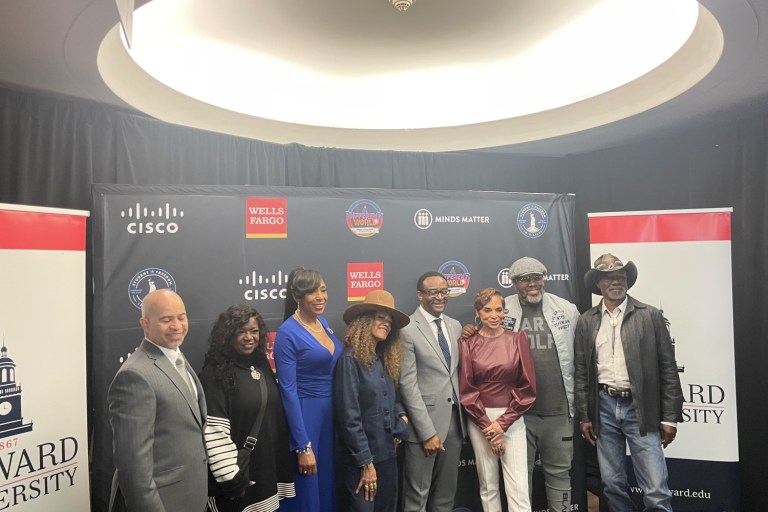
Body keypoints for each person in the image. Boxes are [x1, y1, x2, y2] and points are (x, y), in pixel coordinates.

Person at [464, 256, 579, 511]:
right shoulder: (502, 308)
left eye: (537, 277)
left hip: (558, 411)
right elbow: (483, 337)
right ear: (514, 282)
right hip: (517, 415)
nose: (533, 284)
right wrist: (469, 331)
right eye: (525, 279)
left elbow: (580, 356)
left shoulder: (567, 309)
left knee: (560, 473)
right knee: (518, 481)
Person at [574, 254, 683, 512]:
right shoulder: (587, 320)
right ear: (598, 283)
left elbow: (668, 367)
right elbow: (581, 372)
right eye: (609, 277)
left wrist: (670, 416)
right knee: (612, 484)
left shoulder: (649, 315)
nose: (616, 281)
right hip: (603, 407)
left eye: (620, 276)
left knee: (655, 488)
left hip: (640, 407)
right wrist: (585, 415)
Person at [107, 289, 208, 512]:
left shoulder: (175, 355)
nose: (177, 326)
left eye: (181, 317)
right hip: (163, 503)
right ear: (145, 323)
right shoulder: (134, 376)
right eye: (166, 319)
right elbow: (132, 466)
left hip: (191, 497)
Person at [198, 304, 295, 512]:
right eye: (240, 331)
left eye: (254, 331)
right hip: (239, 478)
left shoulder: (260, 363)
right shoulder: (214, 374)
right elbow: (214, 432)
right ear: (227, 335)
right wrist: (231, 478)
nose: (249, 337)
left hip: (266, 472)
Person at [459, 287, 537, 512]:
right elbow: (467, 389)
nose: (494, 315)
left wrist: (502, 424)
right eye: (487, 310)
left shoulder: (518, 338)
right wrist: (488, 427)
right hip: (479, 419)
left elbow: (528, 388)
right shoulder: (467, 343)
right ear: (478, 312)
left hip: (512, 418)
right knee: (488, 486)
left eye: (499, 310)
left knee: (519, 488)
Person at [334, 290, 411, 512]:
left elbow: (394, 397)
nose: (386, 324)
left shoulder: (384, 358)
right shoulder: (350, 360)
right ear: (365, 320)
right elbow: (349, 417)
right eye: (380, 317)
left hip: (388, 454)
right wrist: (366, 463)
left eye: (389, 321)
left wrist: (401, 418)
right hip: (361, 460)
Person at [274, 267, 342, 512]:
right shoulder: (287, 333)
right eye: (312, 292)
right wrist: (302, 444)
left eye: (323, 289)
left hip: (330, 417)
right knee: (308, 488)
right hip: (306, 416)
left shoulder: (323, 323)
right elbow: (288, 391)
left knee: (327, 485)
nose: (320, 297)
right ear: (297, 296)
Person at [399, 271, 466, 512]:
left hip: (454, 423)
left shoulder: (455, 326)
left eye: (444, 291)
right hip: (423, 427)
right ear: (420, 295)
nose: (440, 297)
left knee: (446, 497)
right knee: (417, 497)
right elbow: (407, 384)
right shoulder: (407, 329)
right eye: (433, 292)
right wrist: (427, 433)